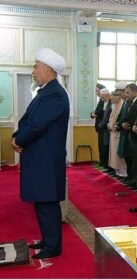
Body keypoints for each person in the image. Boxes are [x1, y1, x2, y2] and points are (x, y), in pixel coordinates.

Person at [12, 48, 69, 259]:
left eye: (36, 67)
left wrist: (19, 140)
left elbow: (37, 125)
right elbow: (28, 121)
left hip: (46, 159)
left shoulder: (55, 94)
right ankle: (48, 240)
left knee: (47, 202)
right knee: (42, 201)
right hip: (39, 157)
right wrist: (18, 136)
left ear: (47, 69)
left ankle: (53, 247)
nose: (34, 71)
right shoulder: (46, 91)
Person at [90, 83, 106, 166]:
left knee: (103, 146)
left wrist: (94, 113)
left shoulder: (104, 101)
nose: (96, 93)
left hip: (102, 127)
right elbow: (95, 113)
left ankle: (103, 163)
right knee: (100, 145)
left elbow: (98, 112)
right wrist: (93, 114)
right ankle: (101, 162)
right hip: (99, 127)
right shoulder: (100, 100)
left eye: (97, 91)